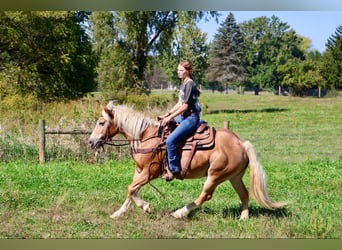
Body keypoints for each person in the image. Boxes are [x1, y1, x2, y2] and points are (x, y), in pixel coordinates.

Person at [158, 60, 202, 181]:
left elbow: (185, 106)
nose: (179, 72)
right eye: (178, 70)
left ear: (188, 71)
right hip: (183, 116)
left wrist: (170, 117)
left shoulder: (190, 84)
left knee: (170, 140)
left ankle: (174, 169)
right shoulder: (184, 84)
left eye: (181, 70)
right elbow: (179, 103)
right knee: (163, 129)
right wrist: (167, 114)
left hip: (191, 117)